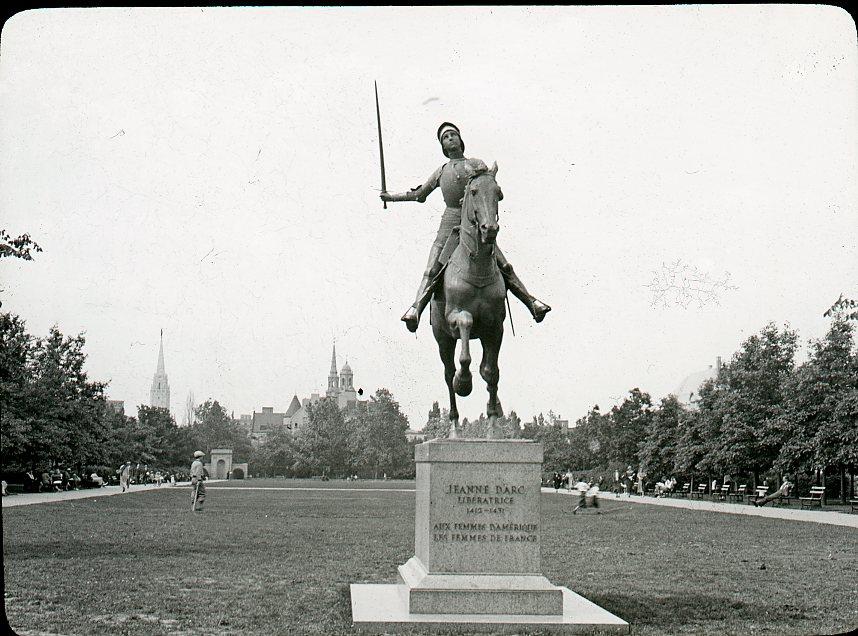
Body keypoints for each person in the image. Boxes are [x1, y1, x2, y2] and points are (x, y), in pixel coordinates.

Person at [380, 122, 551, 332]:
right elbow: (419, 195)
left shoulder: (475, 164)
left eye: (453, 135)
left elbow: (489, 187)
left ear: (461, 139)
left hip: (474, 224)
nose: (450, 138)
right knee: (432, 267)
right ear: (442, 145)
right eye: (445, 137)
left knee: (504, 265)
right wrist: (392, 197)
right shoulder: (441, 171)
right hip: (449, 223)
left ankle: (531, 302)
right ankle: (416, 309)